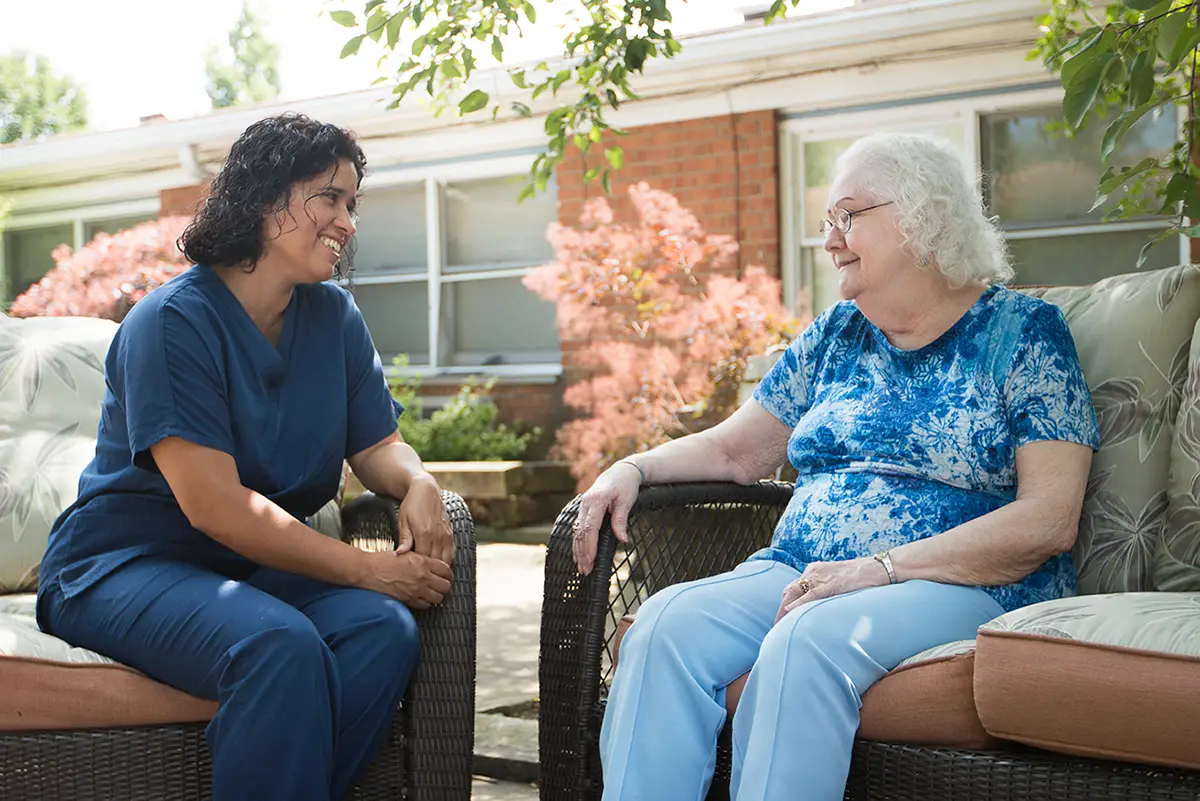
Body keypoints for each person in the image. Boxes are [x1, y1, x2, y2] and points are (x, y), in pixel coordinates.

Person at [570, 132, 1100, 801]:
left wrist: (878, 569)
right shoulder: (837, 333)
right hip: (803, 572)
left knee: (809, 638)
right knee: (662, 626)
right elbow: (736, 449)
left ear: (923, 218)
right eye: (828, 222)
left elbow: (1049, 518)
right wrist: (633, 467)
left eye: (847, 216)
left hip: (959, 583)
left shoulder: (1024, 334)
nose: (830, 239)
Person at [37, 113, 455, 801]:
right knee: (279, 647)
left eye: (352, 203)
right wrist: (368, 570)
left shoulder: (335, 320)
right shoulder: (170, 325)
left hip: (246, 573)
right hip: (117, 567)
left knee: (382, 631)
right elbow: (218, 507)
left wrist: (418, 480)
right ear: (264, 200)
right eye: (329, 197)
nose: (347, 221)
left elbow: (378, 445)